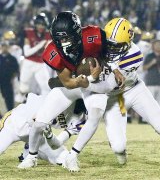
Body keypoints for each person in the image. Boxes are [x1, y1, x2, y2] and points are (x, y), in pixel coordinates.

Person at [18, 11, 125, 169]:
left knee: (95, 115)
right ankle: (32, 156)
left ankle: (73, 156)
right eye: (59, 38)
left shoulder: (94, 35)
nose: (63, 41)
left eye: (66, 37)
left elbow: (107, 52)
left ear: (77, 32)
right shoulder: (52, 51)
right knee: (39, 122)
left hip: (94, 85)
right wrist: (88, 78)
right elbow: (68, 82)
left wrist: (115, 69)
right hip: (73, 84)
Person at [63, 18, 160, 171]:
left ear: (128, 43)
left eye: (117, 45)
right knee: (118, 147)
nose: (112, 48)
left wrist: (87, 83)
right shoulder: (99, 41)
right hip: (116, 99)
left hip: (134, 91)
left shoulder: (134, 54)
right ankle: (120, 150)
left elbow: (107, 86)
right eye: (109, 43)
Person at [0, 92, 86, 167]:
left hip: (39, 135)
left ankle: (30, 148)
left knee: (64, 158)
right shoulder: (58, 97)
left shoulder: (82, 119)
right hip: (15, 123)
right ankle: (31, 150)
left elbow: (56, 144)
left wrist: (50, 136)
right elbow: (34, 121)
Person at [19, 12, 51, 98]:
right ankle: (18, 108)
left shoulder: (48, 35)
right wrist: (41, 44)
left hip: (40, 64)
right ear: (35, 24)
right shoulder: (28, 32)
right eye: (39, 24)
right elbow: (27, 53)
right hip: (28, 63)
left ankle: (45, 107)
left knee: (46, 87)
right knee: (23, 88)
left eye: (43, 24)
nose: (41, 26)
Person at [0, 41, 19, 112]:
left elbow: (16, 69)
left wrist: (13, 78)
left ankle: (10, 112)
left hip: (8, 81)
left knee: (9, 98)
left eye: (6, 46)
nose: (4, 48)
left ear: (8, 48)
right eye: (3, 46)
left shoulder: (12, 58)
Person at [143, 40, 160, 105]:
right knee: (150, 104)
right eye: (157, 45)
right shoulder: (150, 56)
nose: (158, 46)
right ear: (153, 46)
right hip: (151, 83)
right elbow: (144, 68)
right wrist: (152, 63)